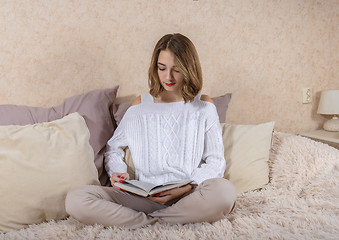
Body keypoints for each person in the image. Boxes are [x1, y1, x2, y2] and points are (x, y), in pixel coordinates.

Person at [65, 33, 237, 228]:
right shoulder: (141, 104)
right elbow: (113, 148)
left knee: (225, 192)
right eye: (161, 68)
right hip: (143, 197)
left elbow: (216, 162)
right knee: (76, 198)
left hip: (189, 197)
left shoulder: (203, 105)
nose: (167, 77)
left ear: (189, 69)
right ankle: (159, 222)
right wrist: (118, 173)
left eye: (176, 70)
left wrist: (188, 187)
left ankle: (149, 224)